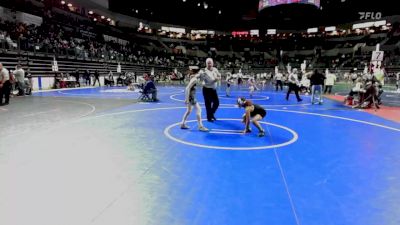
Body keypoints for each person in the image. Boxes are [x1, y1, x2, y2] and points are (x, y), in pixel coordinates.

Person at [180, 66, 209, 132]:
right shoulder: (194, 79)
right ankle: (200, 126)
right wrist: (187, 99)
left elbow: (199, 75)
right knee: (199, 109)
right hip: (191, 97)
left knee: (189, 111)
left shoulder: (193, 76)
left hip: (191, 96)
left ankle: (182, 124)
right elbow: (187, 88)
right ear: (197, 72)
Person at [201, 58, 221, 122]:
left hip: (213, 89)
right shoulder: (204, 71)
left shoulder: (215, 69)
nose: (209, 64)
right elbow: (210, 81)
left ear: (212, 63)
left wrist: (218, 77)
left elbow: (219, 75)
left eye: (210, 63)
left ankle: (211, 114)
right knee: (208, 104)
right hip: (206, 89)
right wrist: (215, 79)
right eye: (208, 63)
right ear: (206, 64)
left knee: (217, 103)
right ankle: (209, 118)